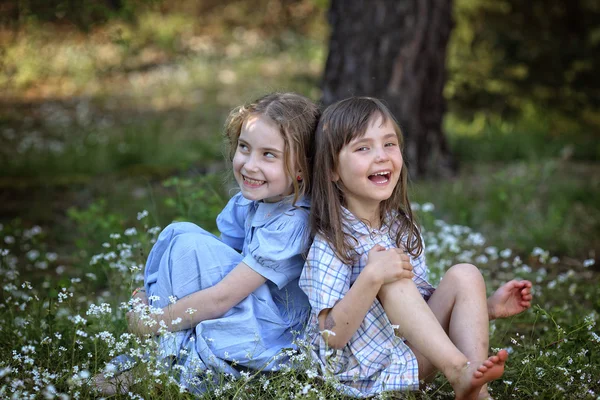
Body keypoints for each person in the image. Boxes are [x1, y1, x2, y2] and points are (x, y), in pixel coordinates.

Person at [299, 97, 533, 400]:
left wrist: (482, 308)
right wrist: (372, 278)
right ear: (332, 169)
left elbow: (419, 310)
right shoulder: (332, 242)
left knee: (465, 274)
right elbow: (330, 335)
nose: (381, 156)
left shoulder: (398, 226)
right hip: (366, 380)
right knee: (389, 272)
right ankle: (459, 371)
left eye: (389, 144)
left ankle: (476, 390)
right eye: (363, 148)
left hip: (408, 358)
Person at [95, 92, 321, 395]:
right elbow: (209, 271)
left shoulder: (291, 224)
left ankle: (159, 358)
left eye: (269, 155)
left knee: (190, 246)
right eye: (244, 147)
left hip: (271, 335)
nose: (249, 165)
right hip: (249, 310)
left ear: (301, 168)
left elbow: (220, 298)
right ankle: (160, 352)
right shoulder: (251, 202)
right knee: (180, 234)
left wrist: (151, 322)